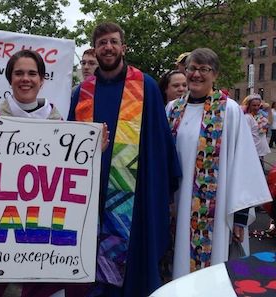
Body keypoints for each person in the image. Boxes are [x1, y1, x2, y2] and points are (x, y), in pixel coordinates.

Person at [0, 49, 99, 297]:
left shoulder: (59, 124)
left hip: (43, 233)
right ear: (10, 78)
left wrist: (92, 153)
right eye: (19, 73)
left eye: (32, 73)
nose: (25, 79)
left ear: (42, 79)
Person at [68, 22, 181, 297]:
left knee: (133, 271)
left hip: (134, 196)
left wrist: (158, 193)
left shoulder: (146, 87)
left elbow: (159, 145)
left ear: (123, 47)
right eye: (102, 42)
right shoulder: (82, 93)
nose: (108, 47)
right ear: (95, 49)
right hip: (90, 196)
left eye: (113, 42)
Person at [166, 48, 271, 281]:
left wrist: (240, 218)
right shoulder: (173, 109)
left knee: (207, 279)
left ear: (215, 75)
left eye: (204, 69)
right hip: (175, 206)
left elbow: (243, 165)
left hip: (214, 213)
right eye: (192, 68)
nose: (197, 74)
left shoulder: (229, 110)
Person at [242, 94, 271, 165]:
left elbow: (269, 122)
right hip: (253, 151)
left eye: (258, 105)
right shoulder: (247, 118)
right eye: (254, 105)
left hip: (260, 151)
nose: (256, 107)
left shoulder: (259, 116)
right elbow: (245, 136)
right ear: (248, 105)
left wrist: (269, 109)